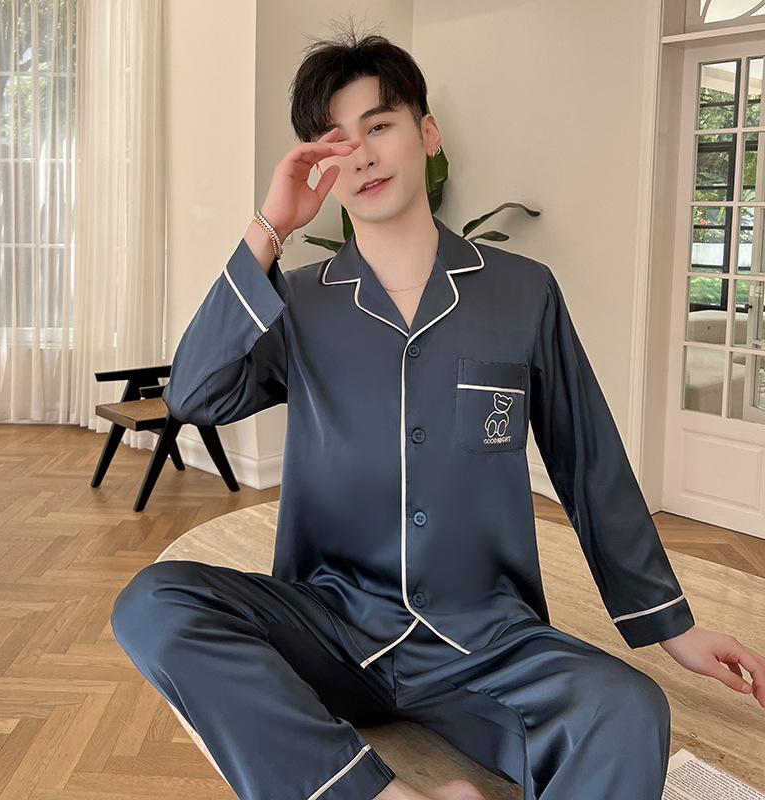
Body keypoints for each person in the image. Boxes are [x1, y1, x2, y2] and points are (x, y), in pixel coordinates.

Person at [111, 32, 765, 800]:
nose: (362, 155)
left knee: (628, 709)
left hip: (485, 641)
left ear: (427, 133)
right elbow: (194, 396)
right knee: (153, 603)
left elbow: (588, 461)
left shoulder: (523, 293)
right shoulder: (300, 302)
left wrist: (672, 627)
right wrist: (269, 227)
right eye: (337, 141)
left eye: (380, 125)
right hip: (334, 630)